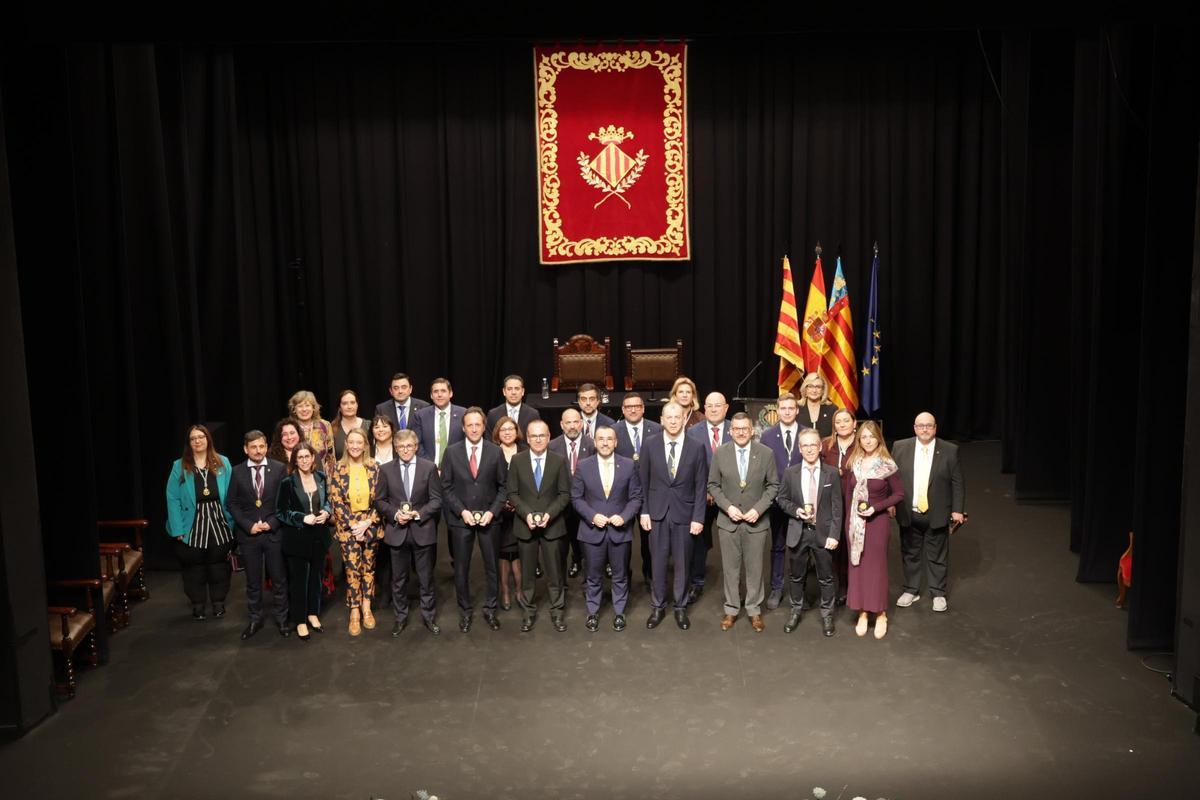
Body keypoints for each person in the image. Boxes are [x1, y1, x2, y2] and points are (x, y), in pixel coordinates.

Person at [707, 412, 779, 632]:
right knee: (730, 568)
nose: (740, 432)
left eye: (744, 429)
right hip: (728, 522)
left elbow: (773, 486)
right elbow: (712, 485)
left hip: (756, 522)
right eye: (736, 429)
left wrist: (758, 510)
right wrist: (727, 507)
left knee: (755, 568)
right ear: (730, 431)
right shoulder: (720, 453)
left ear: (752, 431)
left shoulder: (765, 453)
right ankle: (731, 609)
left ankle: (754, 610)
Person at [639, 402, 707, 630]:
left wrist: (698, 517)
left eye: (678, 417)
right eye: (669, 417)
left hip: (685, 514)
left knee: (682, 563)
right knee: (657, 562)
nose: (673, 421)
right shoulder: (649, 445)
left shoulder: (697, 447)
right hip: (656, 513)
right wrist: (644, 511)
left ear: (684, 419)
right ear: (661, 419)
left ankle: (680, 607)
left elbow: (700, 486)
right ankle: (658, 606)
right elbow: (643, 481)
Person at [441, 407, 509, 633]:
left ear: (483, 426)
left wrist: (493, 511)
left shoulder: (495, 451)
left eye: (477, 424)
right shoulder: (451, 452)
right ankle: (465, 611)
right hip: (462, 520)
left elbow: (504, 486)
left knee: (492, 567)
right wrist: (462, 511)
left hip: (490, 519)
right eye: (469, 425)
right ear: (463, 427)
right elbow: (447, 487)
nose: (473, 428)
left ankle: (490, 609)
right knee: (461, 568)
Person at [891, 412, 966, 613]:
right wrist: (890, 502)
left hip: (937, 513)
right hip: (909, 511)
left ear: (935, 428)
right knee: (910, 553)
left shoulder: (950, 450)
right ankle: (911, 589)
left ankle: (938, 593)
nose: (925, 429)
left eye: (929, 426)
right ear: (914, 428)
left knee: (937, 556)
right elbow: (892, 478)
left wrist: (958, 509)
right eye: (920, 425)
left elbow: (957, 482)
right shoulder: (900, 447)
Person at [571, 426, 642, 632]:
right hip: (592, 531)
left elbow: (636, 497)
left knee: (620, 575)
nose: (604, 443)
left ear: (615, 442)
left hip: (620, 531)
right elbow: (576, 497)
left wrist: (625, 516)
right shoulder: (583, 466)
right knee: (593, 576)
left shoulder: (628, 465)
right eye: (600, 439)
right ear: (595, 442)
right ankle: (592, 612)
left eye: (609, 439)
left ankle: (619, 613)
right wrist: (592, 516)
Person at [776, 428, 843, 636]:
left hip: (823, 534)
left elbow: (837, 507)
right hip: (799, 532)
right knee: (796, 576)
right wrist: (796, 511)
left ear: (820, 446)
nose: (809, 449)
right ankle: (795, 611)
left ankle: (827, 615)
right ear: (799, 448)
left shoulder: (831, 472)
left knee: (826, 577)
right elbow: (782, 499)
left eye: (813, 444)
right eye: (805, 445)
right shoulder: (791, 472)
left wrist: (834, 534)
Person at [375, 429, 443, 635]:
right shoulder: (386, 470)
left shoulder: (429, 467)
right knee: (399, 579)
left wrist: (418, 514)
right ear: (396, 449)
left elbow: (437, 500)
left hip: (422, 530)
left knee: (425, 578)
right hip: (397, 531)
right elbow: (379, 500)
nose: (405, 450)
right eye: (401, 447)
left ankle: (429, 617)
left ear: (415, 447)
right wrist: (396, 514)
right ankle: (400, 617)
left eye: (409, 446)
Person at [506, 420, 571, 632]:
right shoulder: (517, 460)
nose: (538, 439)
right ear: (527, 437)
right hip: (526, 526)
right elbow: (512, 493)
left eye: (542, 435)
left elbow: (564, 494)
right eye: (534, 436)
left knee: (555, 573)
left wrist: (548, 515)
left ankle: (557, 611)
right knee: (527, 574)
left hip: (552, 525)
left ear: (549, 436)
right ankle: (528, 612)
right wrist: (527, 515)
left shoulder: (559, 461)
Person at [165, 425, 235, 620]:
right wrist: (177, 528)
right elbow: (172, 498)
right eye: (193, 438)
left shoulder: (223, 463)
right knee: (194, 566)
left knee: (219, 564)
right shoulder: (179, 466)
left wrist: (233, 522)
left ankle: (218, 602)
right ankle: (198, 604)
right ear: (189, 443)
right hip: (191, 523)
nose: (198, 441)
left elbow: (231, 493)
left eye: (201, 437)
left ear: (208, 440)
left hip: (219, 521)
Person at [225, 429, 289, 639]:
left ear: (266, 447)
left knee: (279, 579)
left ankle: (282, 619)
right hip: (249, 535)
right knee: (253, 581)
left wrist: (271, 523)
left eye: (261, 446)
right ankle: (255, 619)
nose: (258, 450)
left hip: (273, 533)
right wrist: (248, 525)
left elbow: (285, 500)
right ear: (246, 449)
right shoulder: (237, 471)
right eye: (253, 447)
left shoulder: (279, 469)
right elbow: (232, 503)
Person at [844, 421, 904, 639]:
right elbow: (849, 496)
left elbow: (898, 495)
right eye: (863, 437)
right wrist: (847, 524)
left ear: (879, 438)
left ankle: (880, 613)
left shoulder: (887, 465)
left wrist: (876, 508)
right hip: (855, 524)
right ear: (859, 440)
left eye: (871, 436)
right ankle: (862, 612)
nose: (867, 440)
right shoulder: (855, 462)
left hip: (877, 523)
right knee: (857, 567)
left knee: (876, 569)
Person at [275, 443, 332, 641]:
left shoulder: (322, 478)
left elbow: (328, 501)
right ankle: (300, 620)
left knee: (316, 578)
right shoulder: (288, 482)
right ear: (295, 461)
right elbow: (281, 512)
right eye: (300, 457)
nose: (305, 460)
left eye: (307, 456)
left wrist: (326, 511)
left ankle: (313, 614)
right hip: (297, 539)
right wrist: (301, 518)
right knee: (299, 581)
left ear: (313, 458)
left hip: (319, 537)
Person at [327, 429, 381, 636]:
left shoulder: (374, 467)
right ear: (346, 445)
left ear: (366, 445)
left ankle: (367, 608)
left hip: (370, 525)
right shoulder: (338, 468)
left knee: (369, 568)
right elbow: (337, 501)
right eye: (352, 442)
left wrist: (367, 522)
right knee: (352, 570)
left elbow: (381, 498)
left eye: (360, 442)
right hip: (348, 529)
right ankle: (355, 611)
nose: (356, 446)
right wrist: (354, 525)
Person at [685, 391, 731, 605]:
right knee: (699, 541)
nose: (713, 409)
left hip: (730, 498)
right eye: (709, 405)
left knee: (732, 542)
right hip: (701, 496)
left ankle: (733, 586)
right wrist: (705, 490)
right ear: (704, 408)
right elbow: (690, 467)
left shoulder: (737, 429)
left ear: (726, 408)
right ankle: (697, 582)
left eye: (718, 405)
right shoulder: (692, 432)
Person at [612, 392, 661, 590]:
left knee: (650, 540)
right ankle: (624, 578)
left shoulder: (657, 429)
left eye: (637, 406)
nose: (633, 409)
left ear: (643, 408)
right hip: (623, 495)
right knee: (622, 540)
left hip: (651, 493)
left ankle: (650, 576)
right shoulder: (613, 430)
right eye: (628, 407)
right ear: (623, 410)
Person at [760, 392, 803, 611]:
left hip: (801, 502)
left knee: (799, 546)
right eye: (783, 408)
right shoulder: (767, 436)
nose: (787, 412)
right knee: (777, 546)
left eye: (790, 408)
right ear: (777, 410)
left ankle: (799, 589)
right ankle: (776, 588)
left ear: (797, 410)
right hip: (776, 502)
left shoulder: (807, 433)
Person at [550, 407, 594, 579]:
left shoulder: (592, 445)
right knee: (567, 537)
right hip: (563, 503)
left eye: (576, 422)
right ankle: (575, 560)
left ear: (581, 423)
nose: (572, 426)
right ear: (562, 425)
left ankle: (591, 565)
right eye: (568, 422)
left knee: (587, 538)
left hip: (587, 501)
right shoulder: (553, 446)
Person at [822, 408, 858, 605]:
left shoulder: (862, 444)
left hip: (855, 504)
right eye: (838, 422)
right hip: (831, 504)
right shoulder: (825, 445)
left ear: (854, 424)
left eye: (846, 421)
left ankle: (856, 585)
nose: (842, 424)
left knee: (853, 543)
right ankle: (842, 585)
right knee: (836, 545)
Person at [491, 416, 526, 610]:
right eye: (503, 429)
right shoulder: (492, 452)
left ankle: (519, 591)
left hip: (521, 511)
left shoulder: (525, 452)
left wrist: (518, 504)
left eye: (510, 429)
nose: (507, 432)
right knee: (503, 554)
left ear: (516, 431)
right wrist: (502, 503)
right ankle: (505, 592)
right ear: (497, 433)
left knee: (519, 553)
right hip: (499, 511)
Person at [413, 377, 466, 468]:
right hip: (428, 469)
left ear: (451, 393)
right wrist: (430, 467)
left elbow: (466, 443)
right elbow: (417, 444)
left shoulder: (464, 414)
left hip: (457, 468)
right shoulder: (420, 416)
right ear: (431, 395)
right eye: (436, 391)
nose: (439, 395)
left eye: (443, 391)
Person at [331, 389, 372, 461]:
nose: (349, 406)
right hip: (341, 470)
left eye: (352, 403)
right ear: (339, 407)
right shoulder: (332, 428)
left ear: (357, 405)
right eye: (344, 403)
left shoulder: (368, 425)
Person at [797, 372, 839, 438]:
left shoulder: (832, 409)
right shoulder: (796, 408)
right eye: (810, 386)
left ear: (823, 390)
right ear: (805, 389)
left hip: (826, 447)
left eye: (818, 387)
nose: (814, 390)